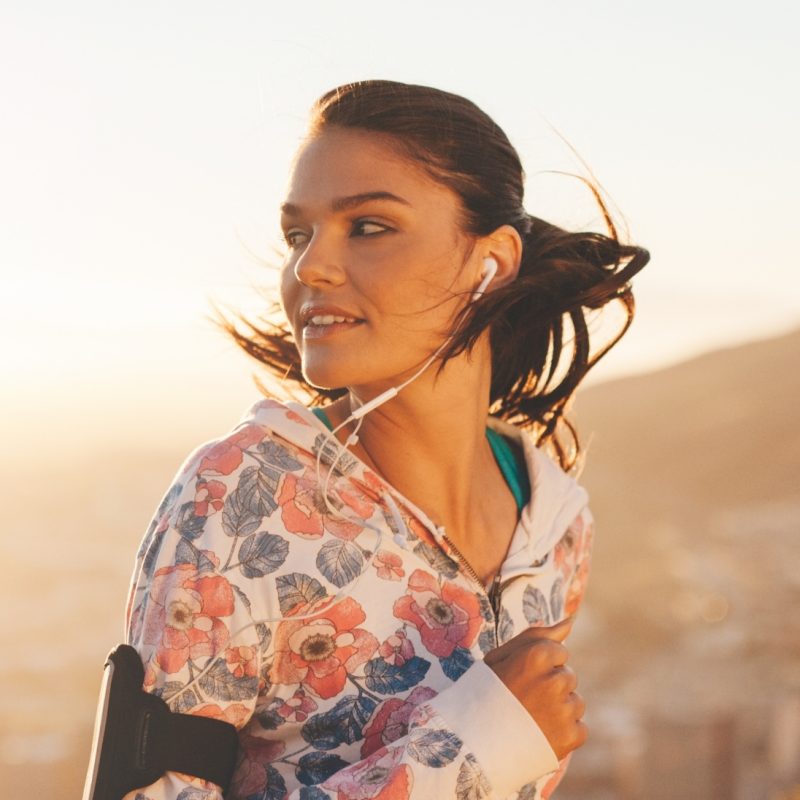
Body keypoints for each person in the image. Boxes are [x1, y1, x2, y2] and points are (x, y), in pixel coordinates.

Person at [123, 79, 649, 800]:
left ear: (490, 260)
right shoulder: (242, 494)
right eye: (298, 235)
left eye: (367, 226)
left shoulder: (558, 529)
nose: (310, 266)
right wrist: (471, 749)